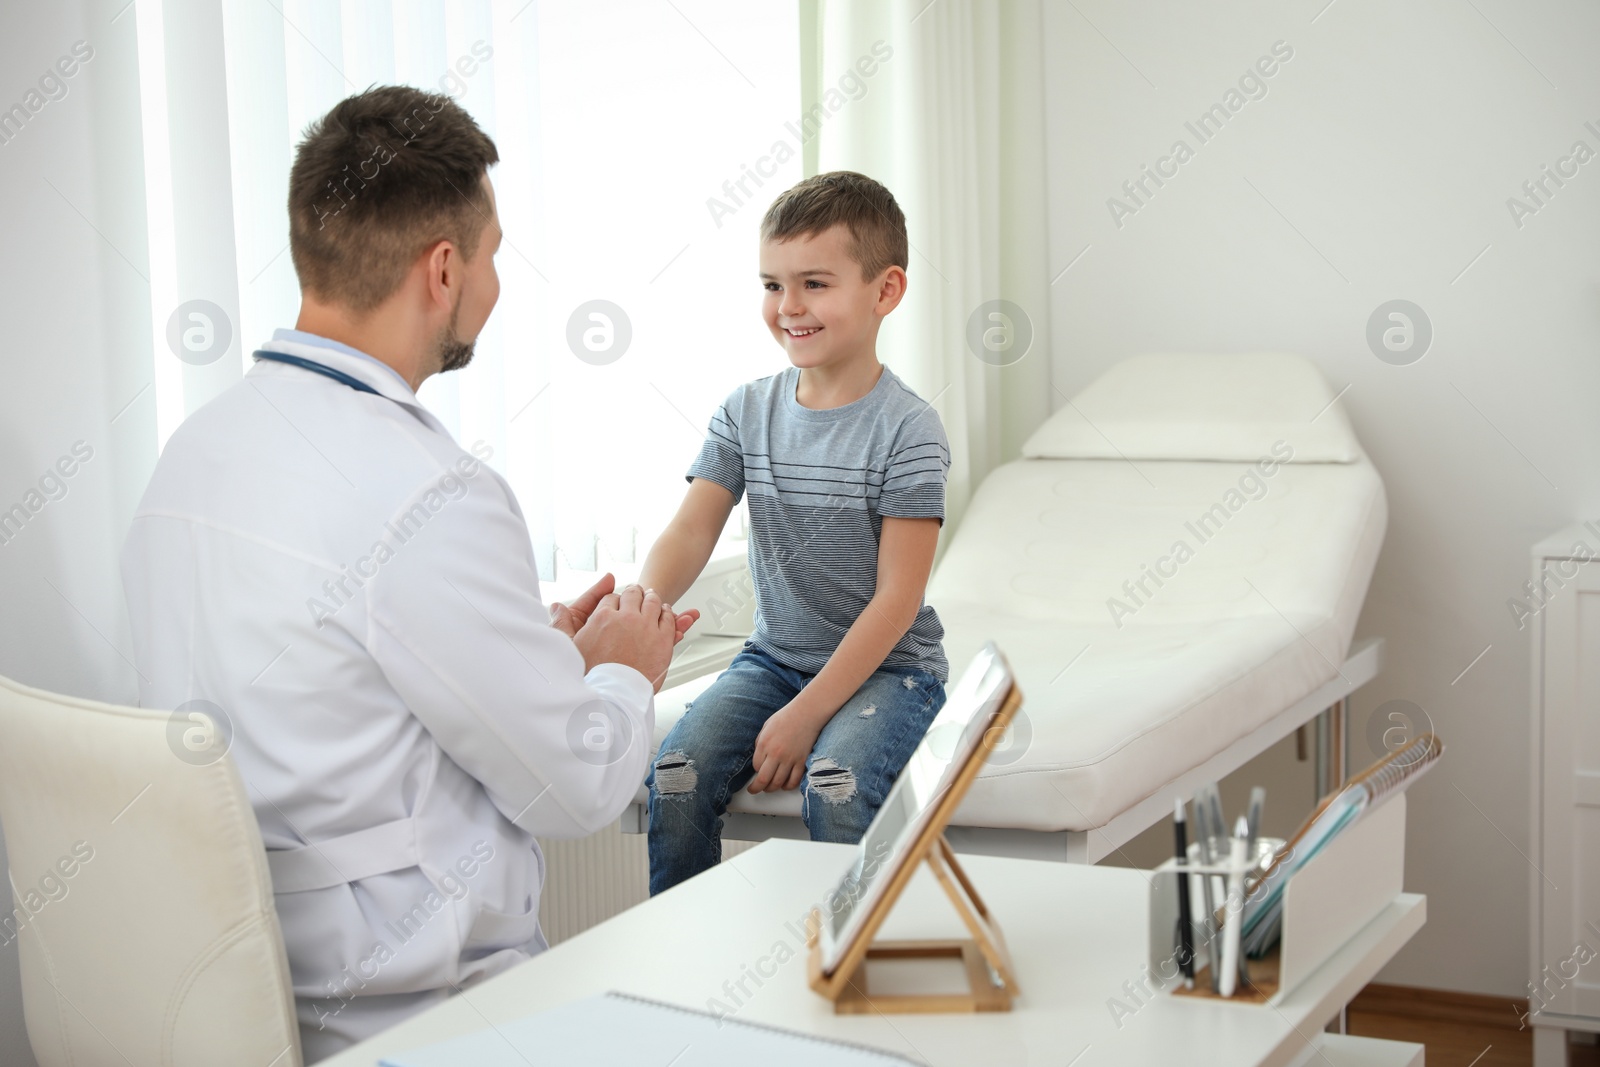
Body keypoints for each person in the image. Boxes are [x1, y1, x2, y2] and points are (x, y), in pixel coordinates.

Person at [120, 85, 693, 1061]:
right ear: (442, 269)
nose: (497, 283)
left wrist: (536, 655)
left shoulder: (192, 455)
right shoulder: (433, 493)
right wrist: (625, 666)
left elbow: (328, 700)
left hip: (232, 994)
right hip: (421, 1016)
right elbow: (577, 789)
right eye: (493, 253)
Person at [640, 171, 950, 895]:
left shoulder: (909, 430)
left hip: (889, 670)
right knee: (678, 777)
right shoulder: (745, 411)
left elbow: (897, 601)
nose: (789, 307)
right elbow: (691, 530)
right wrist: (640, 607)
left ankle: (847, 975)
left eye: (814, 283)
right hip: (774, 658)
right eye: (772, 285)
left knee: (837, 789)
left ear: (886, 291)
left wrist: (805, 716)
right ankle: (683, 964)